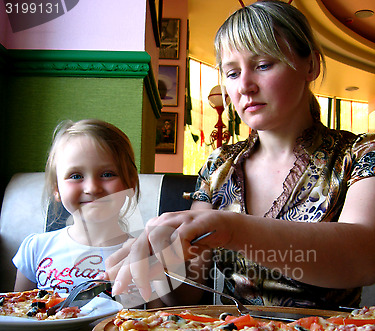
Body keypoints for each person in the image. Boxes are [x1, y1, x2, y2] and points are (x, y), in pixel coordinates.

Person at [106, 0, 375, 310]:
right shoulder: (220, 166)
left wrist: (235, 229)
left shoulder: (359, 154)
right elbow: (188, 294)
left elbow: (365, 255)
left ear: (310, 66)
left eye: (263, 65)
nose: (245, 86)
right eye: (232, 73)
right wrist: (154, 272)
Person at [13, 118, 162, 308]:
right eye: (76, 176)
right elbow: (17, 313)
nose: (92, 188)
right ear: (56, 189)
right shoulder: (35, 249)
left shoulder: (144, 254)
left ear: (130, 183)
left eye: (107, 174)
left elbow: (157, 323)